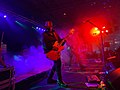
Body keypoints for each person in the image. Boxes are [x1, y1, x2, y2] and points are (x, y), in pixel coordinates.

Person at [42, 21, 67, 87]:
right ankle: (60, 80)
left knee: (56, 65)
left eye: (49, 27)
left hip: (55, 51)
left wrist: (63, 41)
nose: (49, 28)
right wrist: (53, 47)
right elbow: (45, 45)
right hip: (50, 51)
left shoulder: (55, 33)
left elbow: (59, 41)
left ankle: (49, 79)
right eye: (47, 27)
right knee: (58, 64)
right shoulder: (44, 34)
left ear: (52, 27)